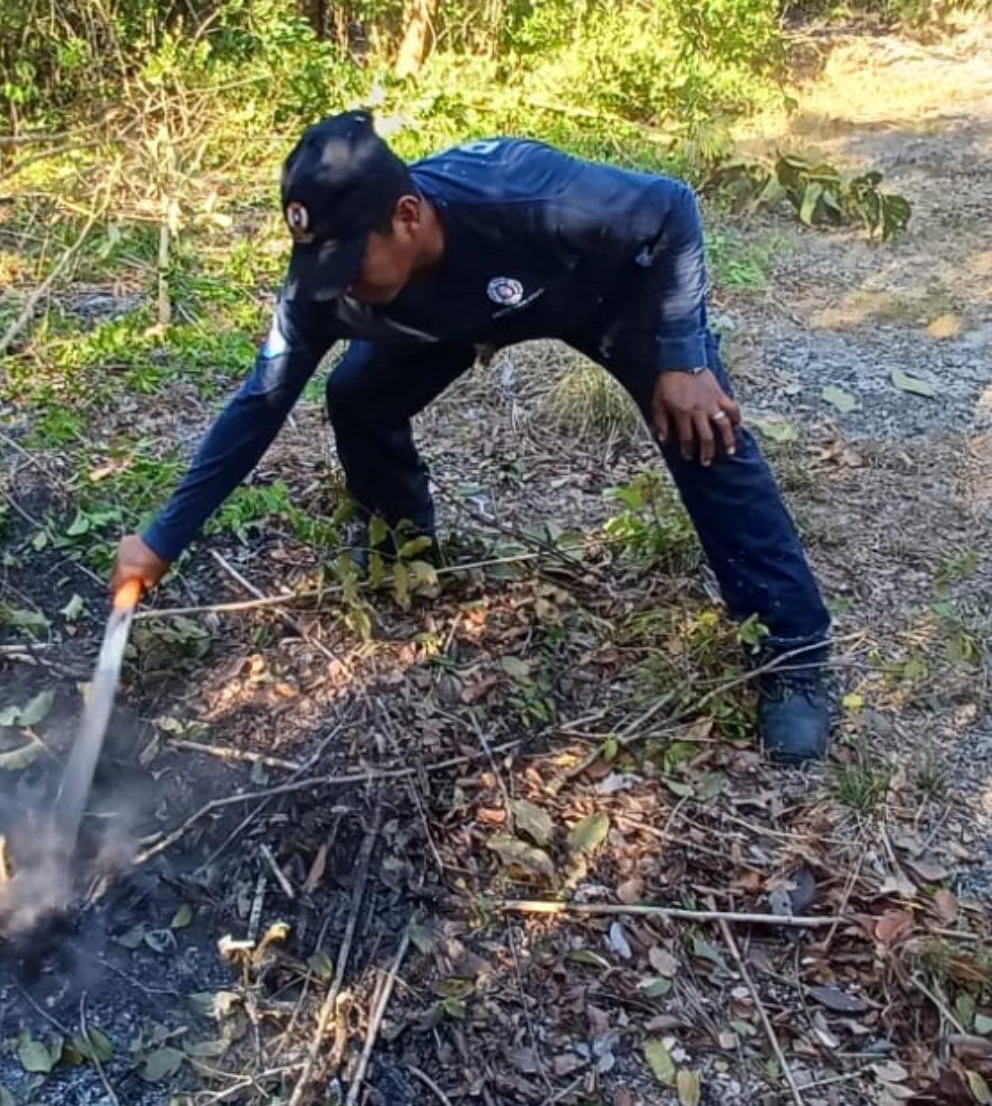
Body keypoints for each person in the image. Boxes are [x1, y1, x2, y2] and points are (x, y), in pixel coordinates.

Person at [112, 111, 833, 761]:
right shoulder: (329, 288)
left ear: (407, 216)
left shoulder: (531, 197)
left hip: (600, 289)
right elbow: (259, 403)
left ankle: (793, 659)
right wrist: (161, 539)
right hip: (457, 316)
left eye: (349, 262)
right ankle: (402, 548)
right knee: (358, 395)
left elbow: (672, 207)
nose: (336, 287)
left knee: (703, 430)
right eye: (320, 265)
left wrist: (682, 355)